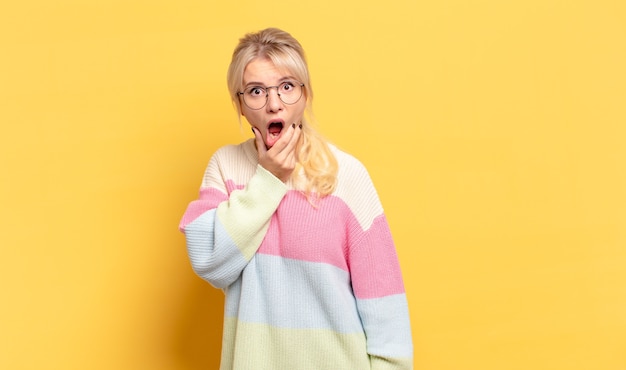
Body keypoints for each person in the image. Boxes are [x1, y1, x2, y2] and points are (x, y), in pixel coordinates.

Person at [179, 27, 413, 370]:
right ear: (240, 105)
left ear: (306, 95)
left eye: (287, 87)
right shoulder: (226, 166)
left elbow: (385, 307)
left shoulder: (346, 174)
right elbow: (209, 261)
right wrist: (269, 180)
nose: (274, 103)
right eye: (256, 91)